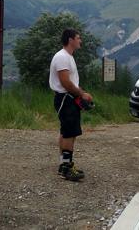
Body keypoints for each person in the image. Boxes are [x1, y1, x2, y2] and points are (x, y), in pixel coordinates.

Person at [49, 29, 93, 182]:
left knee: (66, 130)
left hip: (67, 98)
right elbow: (65, 82)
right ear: (70, 40)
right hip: (65, 98)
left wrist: (79, 94)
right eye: (78, 38)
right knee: (69, 132)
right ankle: (66, 169)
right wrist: (82, 94)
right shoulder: (62, 57)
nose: (80, 41)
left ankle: (64, 164)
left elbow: (69, 82)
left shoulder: (67, 56)